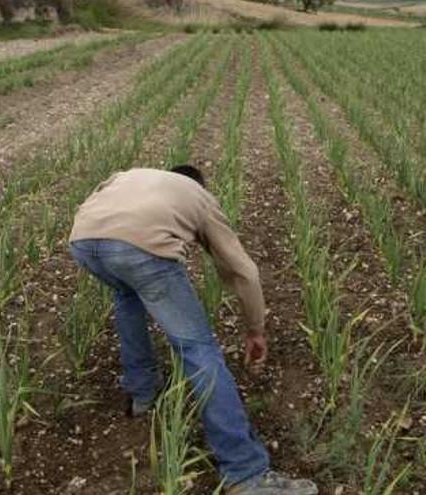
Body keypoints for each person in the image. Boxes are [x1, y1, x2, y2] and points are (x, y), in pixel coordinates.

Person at [69, 165, 317, 494]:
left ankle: (143, 393)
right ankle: (245, 473)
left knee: (126, 294)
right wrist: (255, 329)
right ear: (198, 184)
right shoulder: (199, 197)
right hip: (140, 249)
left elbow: (96, 198)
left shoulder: (131, 175)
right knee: (198, 349)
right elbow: (245, 271)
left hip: (83, 240)